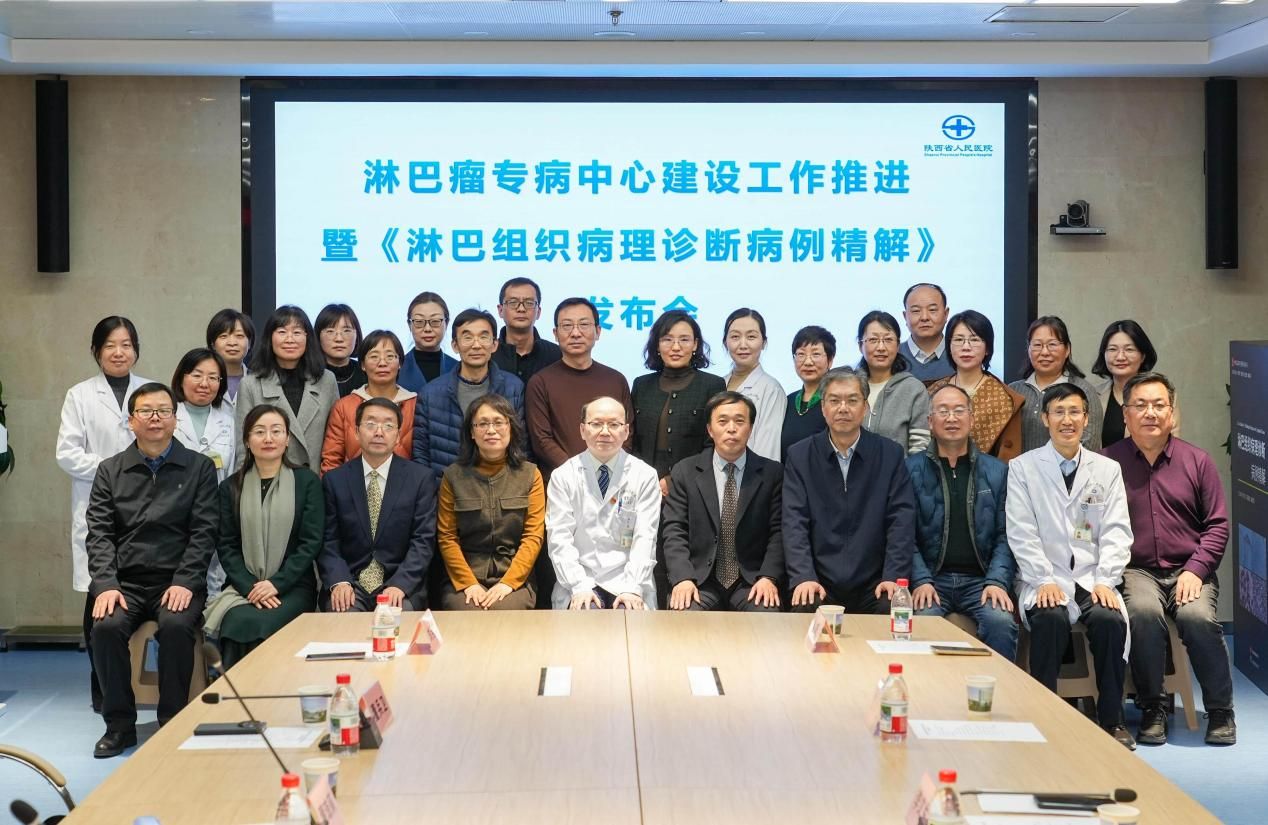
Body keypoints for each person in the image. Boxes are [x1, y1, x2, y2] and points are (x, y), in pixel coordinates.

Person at [85, 382, 219, 758]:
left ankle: (171, 720)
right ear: (131, 421)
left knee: (176, 626)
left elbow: (205, 531)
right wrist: (106, 584)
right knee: (105, 627)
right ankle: (119, 725)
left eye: (164, 411)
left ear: (176, 420)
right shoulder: (110, 471)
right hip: (125, 582)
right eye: (146, 411)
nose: (155, 418)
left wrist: (186, 581)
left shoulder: (199, 468)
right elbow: (99, 533)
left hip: (176, 580)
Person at [1104, 372, 1235, 746]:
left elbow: (1217, 526)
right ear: (1126, 414)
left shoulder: (1197, 461)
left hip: (1189, 568)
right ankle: (1153, 708)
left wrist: (1196, 570)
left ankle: (1221, 711)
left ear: (1172, 412)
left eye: (1159, 405)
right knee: (1143, 614)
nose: (1150, 413)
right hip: (1134, 569)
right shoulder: (1106, 463)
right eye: (1140, 405)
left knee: (1197, 618)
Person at [1006, 383, 1135, 749]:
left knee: (1110, 621)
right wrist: (1042, 579)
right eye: (1059, 412)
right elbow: (1021, 530)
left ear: (1086, 418)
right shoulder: (1023, 468)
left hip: (1092, 576)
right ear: (1044, 418)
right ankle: (1045, 718)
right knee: (1049, 619)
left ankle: (1112, 721)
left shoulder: (1107, 470)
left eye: (1074, 412)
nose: (1067, 420)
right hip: (1043, 575)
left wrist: (1106, 580)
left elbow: (1117, 530)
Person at [56, 316, 154, 713]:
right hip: (97, 504)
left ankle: (142, 689)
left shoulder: (149, 391)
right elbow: (67, 453)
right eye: (110, 345)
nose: (119, 352)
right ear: (97, 351)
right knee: (99, 599)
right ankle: (103, 693)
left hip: (144, 508)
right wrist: (113, 469)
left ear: (136, 350)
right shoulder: (79, 395)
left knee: (135, 596)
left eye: (126, 344)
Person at [526, 298, 634, 607]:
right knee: (565, 566)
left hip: (614, 487)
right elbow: (542, 439)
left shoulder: (615, 379)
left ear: (598, 331)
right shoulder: (541, 381)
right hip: (563, 488)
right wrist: (582, 475)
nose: (576, 332)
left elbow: (626, 435)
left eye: (584, 325)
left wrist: (604, 473)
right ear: (555, 333)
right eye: (567, 326)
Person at [784, 367, 916, 614]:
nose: (843, 408)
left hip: (874, 581)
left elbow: (900, 520)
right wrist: (804, 576)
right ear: (823, 408)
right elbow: (794, 522)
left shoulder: (890, 455)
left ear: (865, 407)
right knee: (805, 602)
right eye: (834, 401)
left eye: (852, 400)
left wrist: (893, 576)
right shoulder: (800, 455)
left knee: (892, 607)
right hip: (819, 579)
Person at [204, 405, 323, 669]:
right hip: (245, 585)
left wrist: (275, 584)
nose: (268, 438)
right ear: (247, 440)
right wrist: (251, 587)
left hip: (293, 586)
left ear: (287, 439)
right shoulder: (230, 487)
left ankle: (271, 689)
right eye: (259, 432)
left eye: (276, 431)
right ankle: (235, 690)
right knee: (236, 619)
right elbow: (226, 545)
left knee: (264, 622)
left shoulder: (307, 482)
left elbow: (310, 543)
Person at [908, 386, 1017, 659]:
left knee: (1000, 622)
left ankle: (1001, 686)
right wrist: (920, 580)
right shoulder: (910, 470)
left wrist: (997, 581)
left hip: (980, 580)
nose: (951, 418)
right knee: (922, 622)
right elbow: (903, 535)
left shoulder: (997, 471)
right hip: (932, 579)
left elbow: (1006, 534)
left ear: (971, 418)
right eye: (943, 411)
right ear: (930, 422)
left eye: (959, 410)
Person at [661, 391, 784, 612]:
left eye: (739, 421)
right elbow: (674, 529)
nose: (731, 428)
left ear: (750, 428)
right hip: (699, 579)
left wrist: (768, 576)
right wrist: (683, 578)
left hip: (751, 581)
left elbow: (779, 532)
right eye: (723, 421)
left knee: (768, 614)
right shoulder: (685, 471)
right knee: (684, 615)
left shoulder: (772, 473)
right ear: (710, 429)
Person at [320, 398, 436, 611]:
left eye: (388, 425)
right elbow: (328, 541)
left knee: (396, 619)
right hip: (351, 583)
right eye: (370, 424)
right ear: (356, 432)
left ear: (398, 436)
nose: (379, 432)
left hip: (399, 583)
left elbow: (423, 540)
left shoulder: (420, 479)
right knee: (343, 620)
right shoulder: (335, 480)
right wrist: (340, 580)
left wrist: (401, 584)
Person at [546, 396, 660, 610]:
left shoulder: (644, 475)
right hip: (581, 577)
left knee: (631, 620)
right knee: (586, 619)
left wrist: (633, 587)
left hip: (628, 577)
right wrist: (579, 585)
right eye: (596, 424)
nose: (605, 432)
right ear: (582, 430)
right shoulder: (563, 476)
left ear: (626, 431)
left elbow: (646, 537)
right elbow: (559, 538)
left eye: (614, 424)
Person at [435, 394, 544, 610]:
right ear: (471, 432)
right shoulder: (453, 476)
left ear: (511, 428)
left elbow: (533, 536)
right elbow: (447, 537)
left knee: (505, 611)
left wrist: (508, 583)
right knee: (467, 610)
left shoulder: (530, 474)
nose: (491, 430)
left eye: (498, 422)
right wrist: (468, 583)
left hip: (514, 577)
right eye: (483, 424)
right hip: (466, 576)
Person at [413, 308, 525, 479]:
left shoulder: (513, 388)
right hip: (447, 490)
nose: (476, 345)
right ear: (455, 345)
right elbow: (421, 454)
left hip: (502, 488)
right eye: (467, 337)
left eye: (483, 337)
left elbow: (521, 446)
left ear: (494, 344)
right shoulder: (430, 394)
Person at [234, 305, 338, 471]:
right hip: (268, 478)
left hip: (314, 480)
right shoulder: (250, 384)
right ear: (270, 338)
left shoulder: (326, 380)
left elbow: (335, 443)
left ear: (308, 338)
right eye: (282, 332)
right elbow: (243, 446)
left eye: (297, 332)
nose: (290, 339)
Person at [630, 310, 726, 487]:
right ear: (657, 345)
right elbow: (631, 438)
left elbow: (714, 443)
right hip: (642, 484)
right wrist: (642, 477)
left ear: (695, 344)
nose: (676, 347)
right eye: (667, 339)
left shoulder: (712, 385)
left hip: (694, 484)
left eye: (684, 339)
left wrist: (676, 479)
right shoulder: (641, 385)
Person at [170, 348, 236, 597]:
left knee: (214, 582)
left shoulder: (229, 421)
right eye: (197, 375)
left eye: (213, 377)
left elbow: (232, 470)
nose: (204, 384)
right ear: (182, 378)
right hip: (174, 512)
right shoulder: (168, 417)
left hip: (215, 512)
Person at [927, 310, 1024, 460]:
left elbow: (1008, 456)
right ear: (949, 346)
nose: (966, 347)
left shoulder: (1004, 398)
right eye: (958, 339)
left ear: (988, 348)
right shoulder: (933, 391)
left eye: (974, 339)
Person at [321, 330, 417, 474]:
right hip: (351, 486)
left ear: (400, 363)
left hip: (405, 486)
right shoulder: (344, 407)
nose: (382, 363)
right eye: (374, 356)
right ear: (363, 365)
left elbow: (422, 459)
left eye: (390, 356)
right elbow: (331, 460)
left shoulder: (415, 406)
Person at [1009, 315, 1104, 454]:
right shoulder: (1013, 391)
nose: (1044, 352)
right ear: (1028, 349)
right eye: (1037, 345)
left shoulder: (1083, 390)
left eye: (1052, 344)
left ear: (1067, 349)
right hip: (1019, 468)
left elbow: (1089, 444)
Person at [856, 310, 931, 454]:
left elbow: (920, 447)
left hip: (899, 469)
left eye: (888, 340)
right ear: (860, 346)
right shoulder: (850, 386)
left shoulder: (913, 389)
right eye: (873, 340)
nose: (881, 347)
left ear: (897, 345)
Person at [721, 308, 785, 461]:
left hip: (752, 473)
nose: (743, 345)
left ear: (763, 343)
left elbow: (767, 450)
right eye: (735, 337)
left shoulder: (771, 389)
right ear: (725, 342)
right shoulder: (717, 384)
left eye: (751, 337)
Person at [1090, 320, 1160, 448]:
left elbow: (1169, 446)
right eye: (1112, 349)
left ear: (1143, 356)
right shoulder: (1091, 396)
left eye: (1129, 349)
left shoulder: (1161, 396)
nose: (1120, 357)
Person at [491, 276, 561, 386]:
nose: (521, 309)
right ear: (500, 310)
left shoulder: (557, 355)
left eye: (529, 303)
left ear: (538, 312)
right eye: (513, 302)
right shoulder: (488, 355)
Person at [781, 325, 836, 460]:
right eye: (801, 354)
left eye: (816, 354)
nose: (808, 361)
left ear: (830, 360)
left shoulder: (835, 402)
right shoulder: (787, 401)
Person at [398, 291, 458, 394]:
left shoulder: (458, 369)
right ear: (409, 325)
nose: (427, 329)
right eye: (419, 322)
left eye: (435, 321)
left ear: (447, 323)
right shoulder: (397, 368)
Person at [899, 283, 955, 383]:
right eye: (916, 311)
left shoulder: (960, 353)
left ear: (946, 314)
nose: (924, 317)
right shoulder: (892, 355)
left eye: (932, 310)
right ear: (905, 316)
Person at [315, 303, 366, 398]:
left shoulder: (367, 374)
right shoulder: (308, 374)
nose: (339, 339)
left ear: (357, 336)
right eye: (330, 331)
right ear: (318, 336)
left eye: (346, 331)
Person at [205, 308, 255, 406]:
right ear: (212, 344)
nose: (232, 343)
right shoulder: (202, 382)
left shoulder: (260, 382)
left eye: (239, 336)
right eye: (224, 336)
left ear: (249, 343)